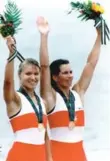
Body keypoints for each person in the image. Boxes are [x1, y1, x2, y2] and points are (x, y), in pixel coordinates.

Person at [37, 16, 101, 161]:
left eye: (71, 72)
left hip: (79, 155)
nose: (70, 75)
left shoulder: (78, 92)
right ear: (54, 77)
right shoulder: (51, 96)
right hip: (57, 155)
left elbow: (91, 64)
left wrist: (99, 36)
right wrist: (44, 36)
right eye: (65, 73)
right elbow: (44, 67)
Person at [3, 36, 53, 161]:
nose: (33, 77)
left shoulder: (42, 102)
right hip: (20, 156)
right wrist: (11, 54)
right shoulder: (15, 99)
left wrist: (49, 158)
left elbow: (45, 135)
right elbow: (8, 82)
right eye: (28, 74)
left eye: (36, 74)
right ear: (19, 75)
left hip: (40, 156)